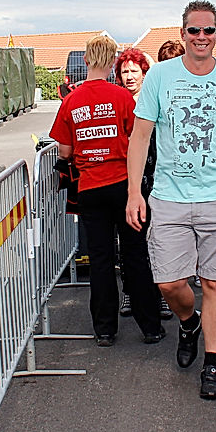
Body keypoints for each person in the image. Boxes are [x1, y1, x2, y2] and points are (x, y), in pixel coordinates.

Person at [126, 0, 216, 400]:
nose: (201, 38)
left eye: (208, 31)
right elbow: (140, 138)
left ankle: (213, 362)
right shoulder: (161, 78)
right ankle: (189, 322)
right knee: (169, 282)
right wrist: (134, 191)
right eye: (194, 31)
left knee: (215, 282)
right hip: (169, 196)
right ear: (183, 33)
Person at [51, 35, 162, 345]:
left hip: (90, 187)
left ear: (85, 61)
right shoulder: (122, 97)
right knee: (135, 256)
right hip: (125, 186)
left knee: (100, 260)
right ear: (113, 62)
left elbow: (64, 149)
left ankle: (104, 329)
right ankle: (150, 326)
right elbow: (137, 138)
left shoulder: (71, 100)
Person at [114, 47, 172, 322]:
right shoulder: (116, 102)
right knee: (130, 242)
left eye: (134, 71)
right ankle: (130, 292)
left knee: (158, 242)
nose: (129, 77)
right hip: (128, 182)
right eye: (124, 72)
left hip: (157, 178)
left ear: (144, 74)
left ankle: (161, 296)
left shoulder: (155, 100)